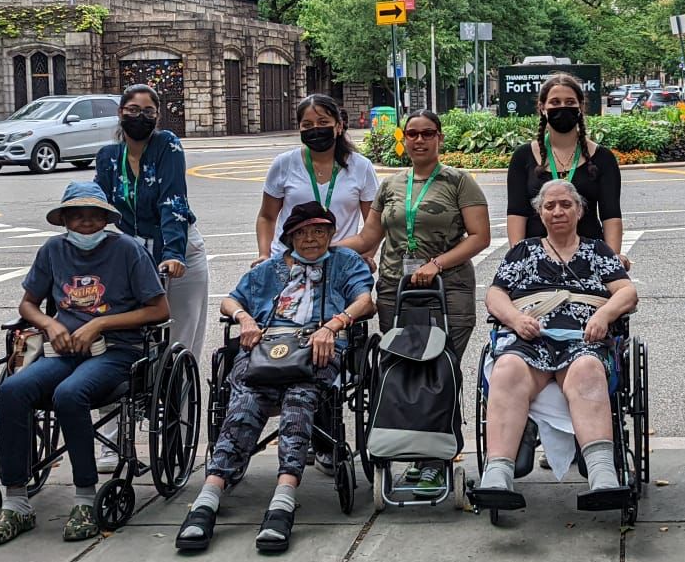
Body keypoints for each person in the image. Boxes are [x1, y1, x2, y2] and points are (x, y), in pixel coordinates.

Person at [0, 182, 169, 546]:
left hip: (116, 349)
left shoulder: (126, 250)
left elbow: (159, 309)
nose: (86, 222)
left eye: (95, 215)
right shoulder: (53, 250)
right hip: (62, 349)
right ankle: (16, 501)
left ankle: (84, 497)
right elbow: (28, 304)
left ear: (106, 219)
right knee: (12, 390)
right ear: (64, 219)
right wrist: (49, 324)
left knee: (70, 395)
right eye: (77, 215)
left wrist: (99, 323)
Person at [181, 202, 375, 556]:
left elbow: (365, 300)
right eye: (302, 233)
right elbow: (230, 301)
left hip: (318, 347)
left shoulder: (345, 263)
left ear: (331, 234)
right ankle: (209, 495)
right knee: (245, 397)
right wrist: (246, 320)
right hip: (266, 347)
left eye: (319, 231)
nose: (311, 238)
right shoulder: (269, 270)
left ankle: (283, 498)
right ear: (289, 237)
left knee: (300, 396)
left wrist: (332, 325)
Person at [476, 179, 638, 512]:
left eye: (565, 204)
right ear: (540, 213)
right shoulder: (523, 251)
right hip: (531, 339)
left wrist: (605, 314)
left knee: (588, 369)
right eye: (549, 206)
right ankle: (497, 473)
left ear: (579, 210)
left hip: (583, 338)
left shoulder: (597, 251)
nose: (557, 211)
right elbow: (495, 294)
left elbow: (627, 292)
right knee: (506, 369)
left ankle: (602, 473)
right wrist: (514, 319)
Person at [357, 108, 491, 363]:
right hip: (396, 287)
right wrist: (325, 248)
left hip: (448, 288)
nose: (420, 140)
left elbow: (480, 237)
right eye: (413, 134)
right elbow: (367, 238)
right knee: (400, 368)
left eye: (428, 134)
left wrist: (436, 264)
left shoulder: (459, 181)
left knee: (441, 371)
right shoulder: (390, 184)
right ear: (404, 138)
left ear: (440, 138)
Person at [94, 83, 209, 364]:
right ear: (121, 112)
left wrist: (173, 253)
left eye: (148, 111)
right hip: (134, 253)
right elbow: (99, 205)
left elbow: (173, 200)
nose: (140, 116)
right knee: (134, 339)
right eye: (133, 110)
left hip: (178, 249)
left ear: (157, 117)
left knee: (179, 340)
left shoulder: (166, 145)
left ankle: (179, 407)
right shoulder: (108, 157)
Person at [505, 73, 624, 256]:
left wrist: (612, 262)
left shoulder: (603, 158)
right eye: (555, 102)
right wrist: (518, 259)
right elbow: (516, 213)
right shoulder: (523, 157)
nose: (562, 107)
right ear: (542, 107)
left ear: (581, 107)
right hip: (537, 259)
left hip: (590, 258)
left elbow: (611, 216)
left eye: (570, 102)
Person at [256, 93, 379, 258]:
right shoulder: (283, 164)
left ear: (339, 126)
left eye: (323, 122)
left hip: (339, 263)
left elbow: (373, 226)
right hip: (289, 263)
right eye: (307, 124)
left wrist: (367, 257)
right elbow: (267, 217)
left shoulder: (361, 167)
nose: (315, 129)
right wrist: (264, 255)